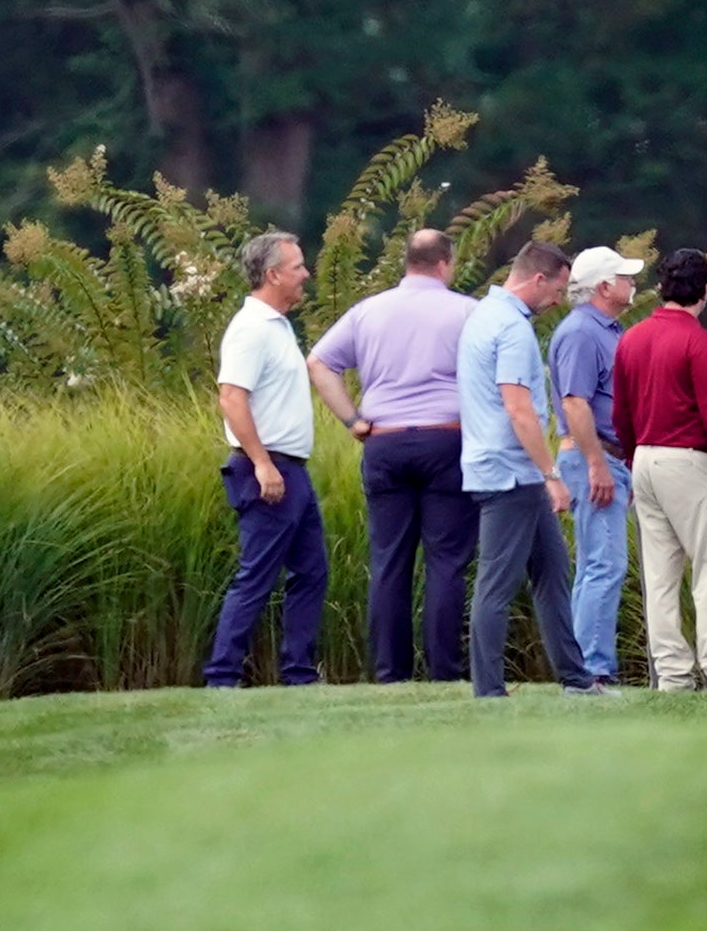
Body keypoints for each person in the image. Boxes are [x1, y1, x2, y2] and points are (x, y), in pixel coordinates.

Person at [306, 229, 478, 683]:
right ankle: (445, 671)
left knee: (390, 560)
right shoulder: (466, 311)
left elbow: (319, 362)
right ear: (445, 264)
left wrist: (352, 419)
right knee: (446, 560)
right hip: (447, 439)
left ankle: (390, 672)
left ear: (409, 262)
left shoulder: (368, 311)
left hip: (384, 440)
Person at [456, 239, 603, 699]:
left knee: (553, 572)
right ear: (538, 279)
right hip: (510, 473)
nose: (559, 300)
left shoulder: (482, 315)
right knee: (497, 585)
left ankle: (577, 679)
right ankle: (489, 690)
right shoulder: (514, 329)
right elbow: (518, 408)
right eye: (557, 289)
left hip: (507, 469)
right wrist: (551, 474)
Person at [615, 248, 707, 690]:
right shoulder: (698, 343)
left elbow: (620, 414)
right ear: (706, 290)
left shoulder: (632, 338)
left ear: (661, 288)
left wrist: (631, 457)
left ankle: (673, 674)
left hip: (645, 458)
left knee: (659, 576)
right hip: (690, 462)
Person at [204, 231, 328, 688]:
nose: (306, 274)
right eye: (297, 267)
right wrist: (261, 464)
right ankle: (222, 675)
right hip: (268, 468)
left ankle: (299, 674)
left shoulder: (278, 326)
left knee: (311, 572)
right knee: (256, 575)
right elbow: (232, 398)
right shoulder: (251, 328)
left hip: (291, 468)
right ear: (273, 274)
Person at [551, 245, 644, 687]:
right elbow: (574, 401)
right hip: (594, 457)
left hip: (607, 456)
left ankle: (584, 665)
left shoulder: (606, 329)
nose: (632, 284)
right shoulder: (582, 333)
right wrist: (596, 463)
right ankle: (591, 669)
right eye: (624, 277)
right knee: (604, 565)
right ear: (604, 286)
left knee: (596, 565)